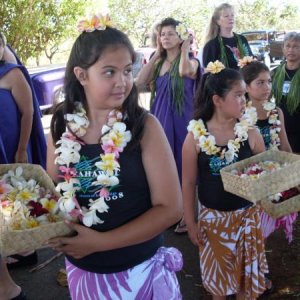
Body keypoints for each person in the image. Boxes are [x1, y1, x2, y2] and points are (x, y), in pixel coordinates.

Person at [46, 15, 183, 299]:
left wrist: (100, 243)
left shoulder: (144, 127)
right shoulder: (62, 124)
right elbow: (53, 186)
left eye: (127, 70)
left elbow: (170, 209)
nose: (123, 82)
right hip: (84, 273)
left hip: (139, 272)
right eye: (109, 72)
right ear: (82, 75)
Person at [182, 61, 269, 299]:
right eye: (238, 95)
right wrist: (191, 222)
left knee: (245, 283)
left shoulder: (250, 132)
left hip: (246, 218)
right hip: (212, 223)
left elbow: (265, 169)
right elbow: (189, 183)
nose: (244, 101)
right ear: (217, 100)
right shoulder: (196, 138)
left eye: (244, 95)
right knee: (218, 285)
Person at [272, 31, 300, 153]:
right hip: (281, 130)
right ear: (283, 49)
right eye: (288, 46)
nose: (291, 50)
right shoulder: (274, 73)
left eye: (296, 46)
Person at [202, 3, 253, 69]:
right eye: (226, 16)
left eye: (232, 15)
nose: (231, 18)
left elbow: (251, 61)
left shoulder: (242, 39)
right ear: (218, 21)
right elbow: (209, 72)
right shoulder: (212, 45)